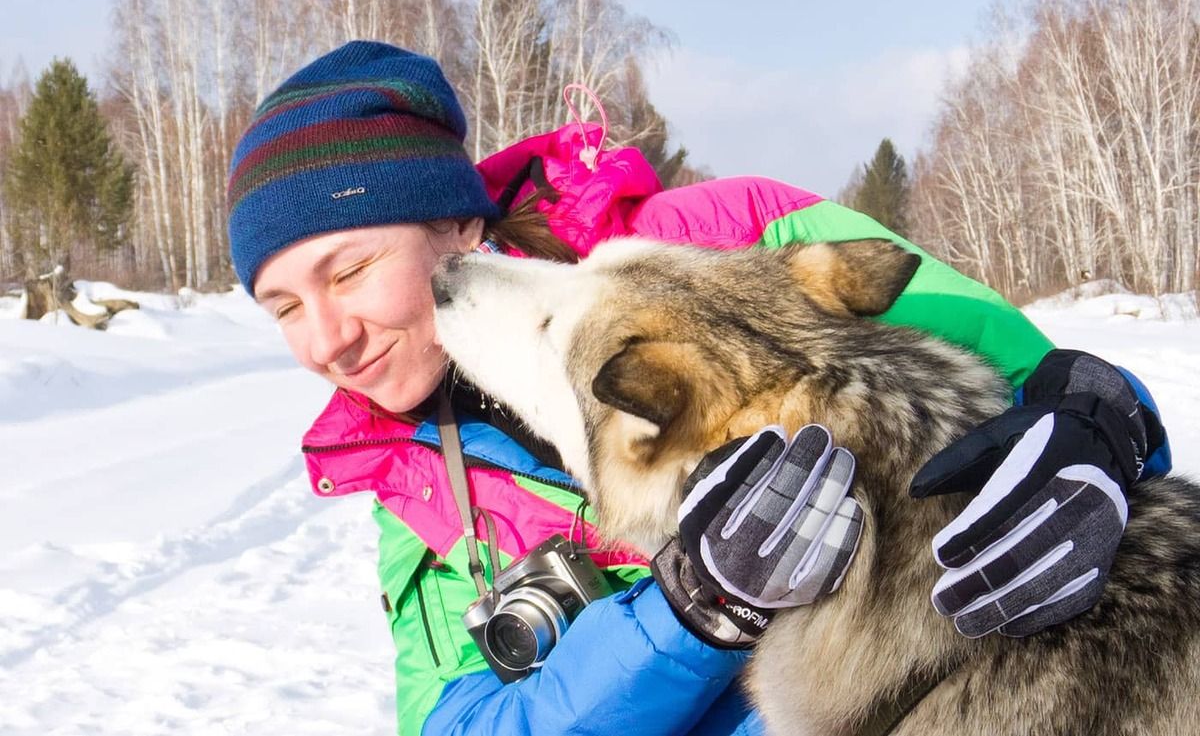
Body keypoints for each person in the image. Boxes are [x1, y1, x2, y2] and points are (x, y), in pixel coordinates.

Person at [226, 41, 1170, 736]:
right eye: (282, 307)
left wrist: (1101, 418)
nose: (327, 341)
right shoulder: (414, 479)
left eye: (348, 273)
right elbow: (461, 724)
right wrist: (688, 614)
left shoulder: (739, 237)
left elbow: (1025, 370)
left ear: (455, 224)